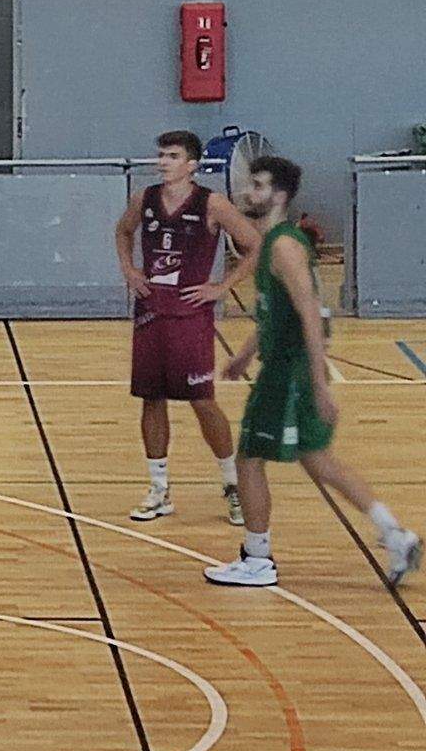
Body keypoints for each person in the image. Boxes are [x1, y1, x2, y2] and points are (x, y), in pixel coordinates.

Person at [204, 156, 422, 590]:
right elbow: (277, 314)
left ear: (279, 195)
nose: (250, 193)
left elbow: (310, 313)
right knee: (318, 459)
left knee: (248, 457)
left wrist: (320, 384)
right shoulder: (271, 243)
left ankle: (257, 558)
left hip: (289, 373)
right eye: (251, 185)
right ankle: (396, 534)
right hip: (284, 366)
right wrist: (246, 353)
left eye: (260, 186)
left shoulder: (284, 246)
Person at [117, 130, 262, 525]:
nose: (163, 161)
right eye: (161, 154)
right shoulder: (143, 200)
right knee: (151, 399)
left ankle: (233, 487)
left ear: (192, 165)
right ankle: (159, 489)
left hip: (191, 314)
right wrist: (130, 269)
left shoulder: (211, 203)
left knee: (202, 401)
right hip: (150, 312)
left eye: (172, 155)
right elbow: (123, 230)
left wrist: (223, 287)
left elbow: (255, 245)